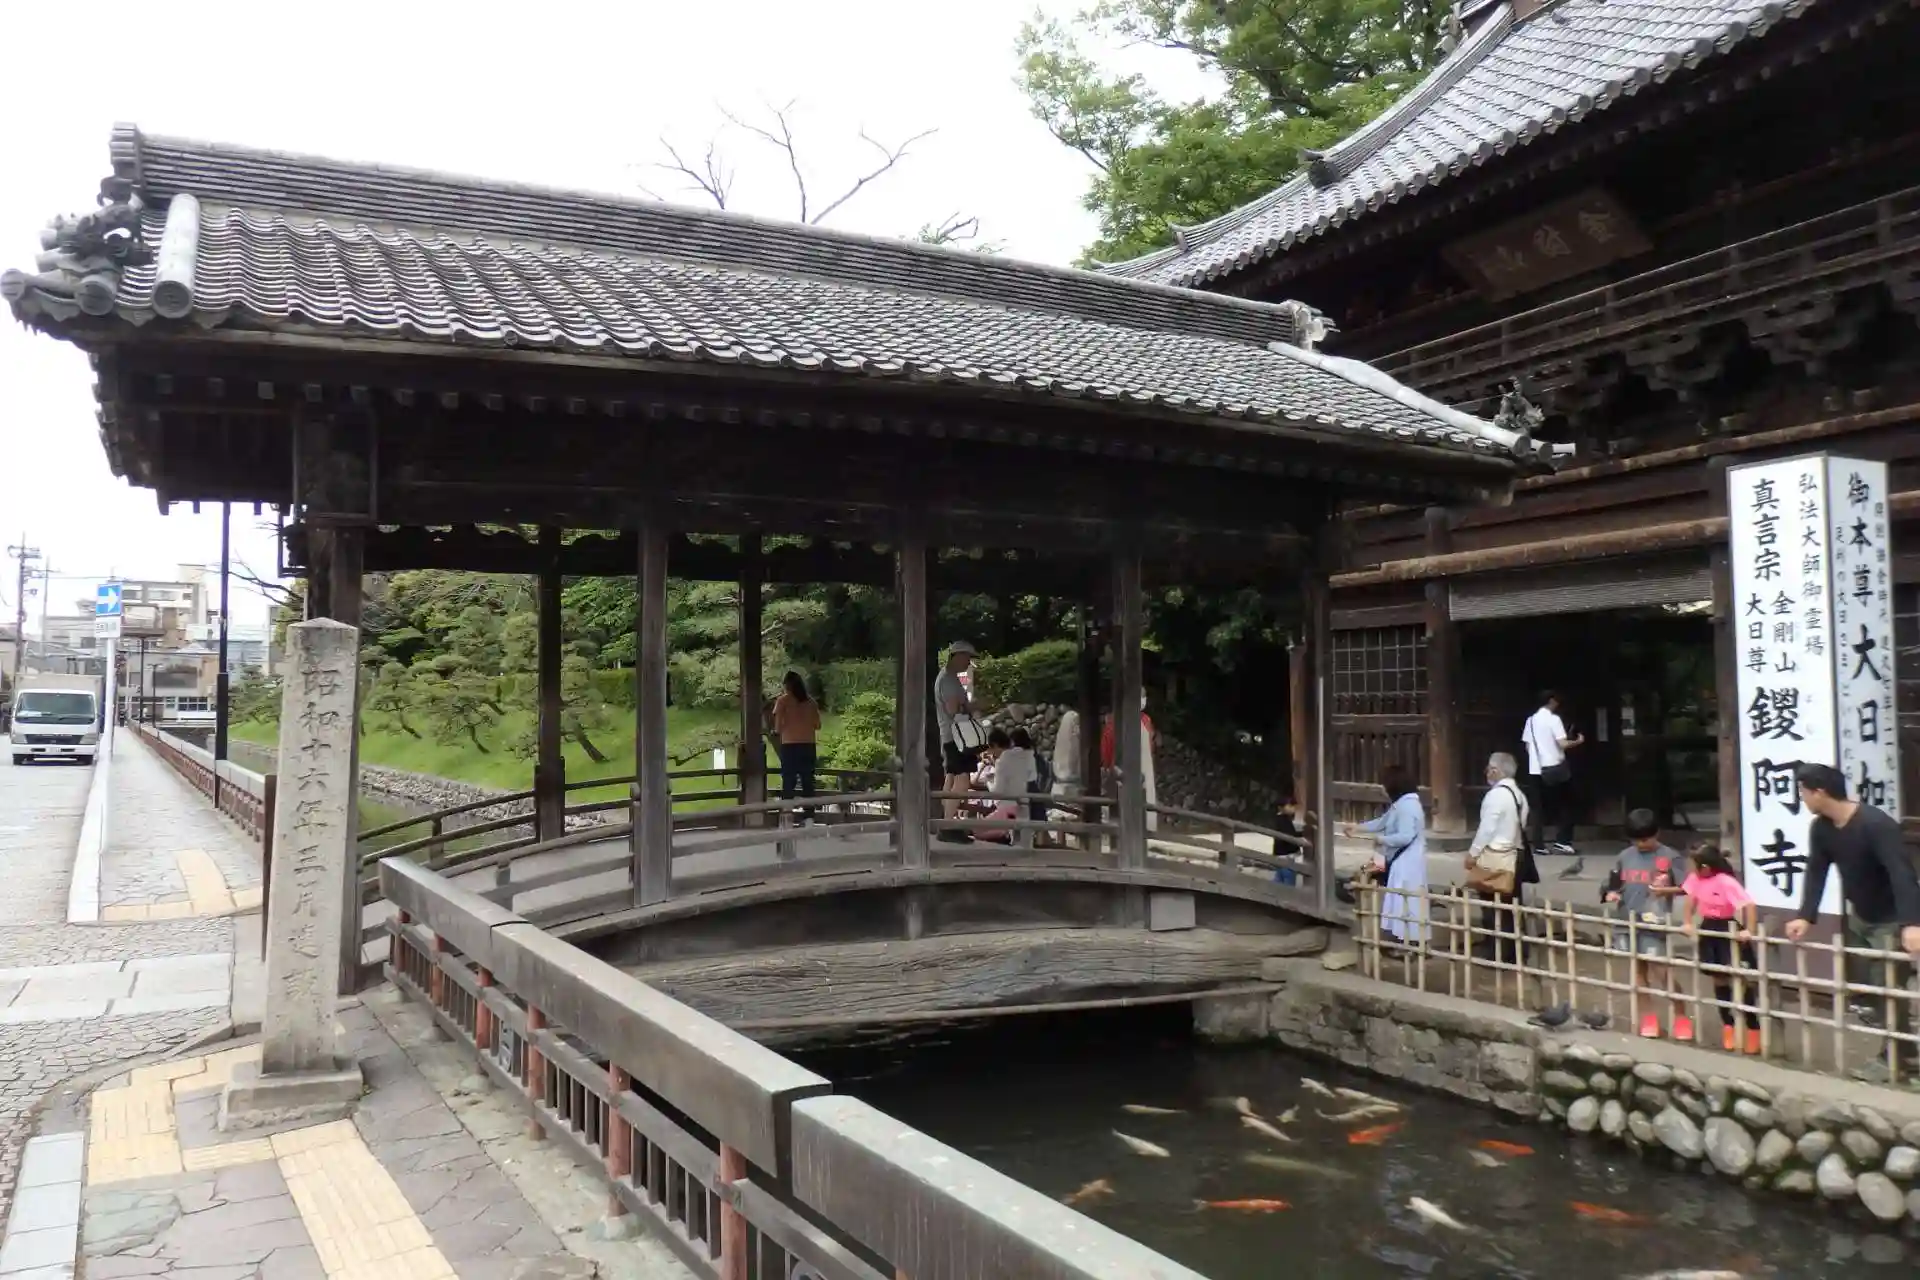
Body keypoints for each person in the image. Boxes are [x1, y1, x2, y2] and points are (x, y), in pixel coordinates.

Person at [1784, 762, 1920, 1083]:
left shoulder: (1875, 824)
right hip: (1860, 916)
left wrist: (1911, 923)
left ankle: (1896, 1058)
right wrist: (1805, 914)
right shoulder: (1822, 829)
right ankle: (1906, 1053)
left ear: (1820, 792)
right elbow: (1816, 871)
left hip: (1890, 918)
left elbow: (1902, 874)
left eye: (1803, 791)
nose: (1802, 798)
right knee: (1868, 989)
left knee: (1889, 987)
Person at [1604, 808, 1689, 1041]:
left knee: (1662, 971)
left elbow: (1687, 887)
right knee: (1638, 973)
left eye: (1646, 839)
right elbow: (1612, 883)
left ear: (1656, 833)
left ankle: (1681, 1015)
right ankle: (1648, 1018)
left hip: (1655, 921)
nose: (1641, 844)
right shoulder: (1624, 856)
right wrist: (1611, 893)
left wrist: (1666, 890)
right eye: (1637, 840)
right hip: (1626, 920)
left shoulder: (1670, 857)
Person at [1678, 843, 1761, 1054]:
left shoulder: (1725, 881)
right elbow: (1689, 900)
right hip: (1708, 927)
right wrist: (1687, 922)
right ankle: (1728, 1025)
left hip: (1728, 926)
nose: (1693, 870)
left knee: (1741, 978)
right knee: (1718, 977)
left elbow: (1749, 904)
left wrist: (1749, 930)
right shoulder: (1695, 879)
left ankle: (1753, 1027)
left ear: (1706, 867)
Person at [1344, 764, 1426, 943]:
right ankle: (1404, 940)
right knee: (1402, 902)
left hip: (1406, 861)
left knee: (1406, 902)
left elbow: (1405, 836)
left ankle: (1408, 942)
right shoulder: (1403, 804)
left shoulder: (1408, 806)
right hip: (1398, 860)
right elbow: (1383, 821)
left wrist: (1382, 840)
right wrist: (1358, 828)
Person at [1466, 753, 1535, 964]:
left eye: (1489, 768)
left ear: (1496, 770)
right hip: (1516, 854)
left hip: (1496, 856)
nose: (1487, 772)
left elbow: (1487, 828)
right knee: (1512, 906)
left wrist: (1473, 853)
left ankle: (1497, 952)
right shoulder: (1519, 795)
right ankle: (1516, 951)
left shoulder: (1496, 795)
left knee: (1492, 906)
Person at [1521, 690, 1585, 855]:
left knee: (1537, 808)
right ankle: (1562, 841)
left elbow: (1527, 746)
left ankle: (1539, 845)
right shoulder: (1554, 719)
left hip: (1535, 769)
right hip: (1555, 767)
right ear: (1551, 701)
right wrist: (1578, 741)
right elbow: (1562, 744)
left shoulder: (1531, 720)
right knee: (1567, 803)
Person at [934, 641, 980, 843]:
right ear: (958, 656)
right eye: (968, 658)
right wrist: (971, 706)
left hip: (950, 735)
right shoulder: (949, 680)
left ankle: (946, 822)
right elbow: (953, 709)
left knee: (951, 779)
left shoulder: (946, 677)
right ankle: (948, 825)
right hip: (957, 736)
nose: (969, 663)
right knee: (962, 780)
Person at [766, 671, 821, 810]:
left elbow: (778, 728)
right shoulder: (811, 702)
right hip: (808, 745)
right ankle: (809, 815)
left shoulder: (782, 701)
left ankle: (787, 813)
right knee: (808, 781)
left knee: (789, 781)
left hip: (790, 746)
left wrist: (775, 731)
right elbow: (818, 725)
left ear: (787, 685)